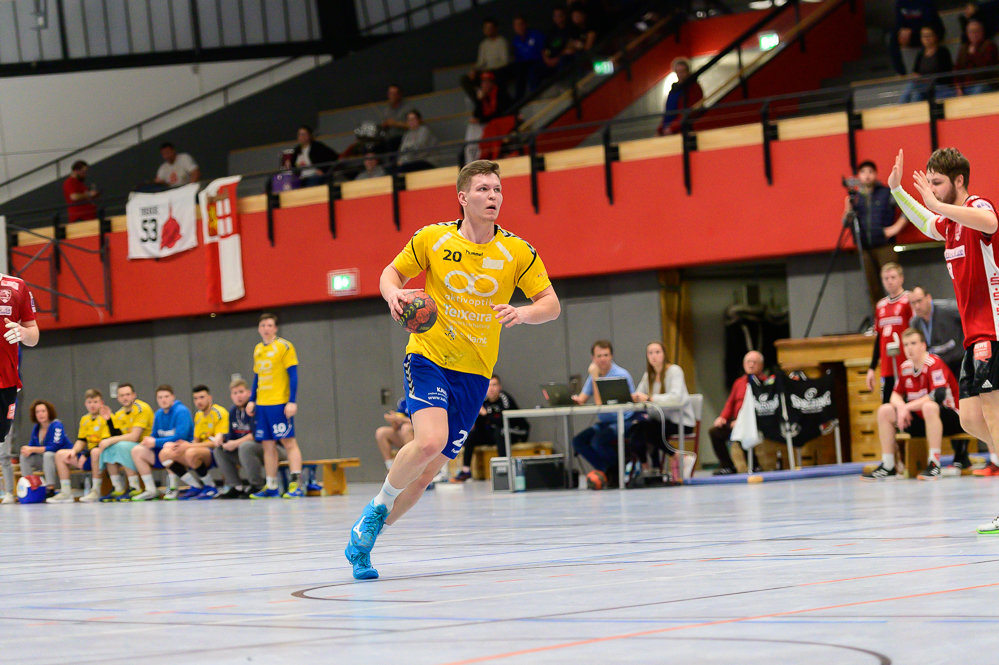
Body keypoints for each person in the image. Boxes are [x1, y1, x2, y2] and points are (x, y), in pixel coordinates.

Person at [344, 159, 560, 579]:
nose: (493, 196)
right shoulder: (433, 238)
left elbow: (550, 305)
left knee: (426, 474)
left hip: (475, 373)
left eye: (497, 189)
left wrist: (523, 313)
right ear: (463, 197)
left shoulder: (518, 251)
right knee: (429, 441)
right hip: (428, 356)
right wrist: (393, 294)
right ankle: (376, 508)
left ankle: (365, 541)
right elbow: (391, 273)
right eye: (483, 189)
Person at [885, 148, 999, 533]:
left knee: (994, 417)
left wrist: (937, 205)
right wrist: (898, 191)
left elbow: (990, 221)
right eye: (929, 183)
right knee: (970, 419)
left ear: (959, 181)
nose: (931, 189)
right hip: (974, 337)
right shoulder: (949, 225)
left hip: (994, 332)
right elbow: (925, 219)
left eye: (937, 182)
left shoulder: (977, 206)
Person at [863, 328, 968, 480]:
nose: (909, 348)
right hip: (922, 419)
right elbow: (895, 395)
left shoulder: (933, 362)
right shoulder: (905, 367)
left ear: (923, 345)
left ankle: (934, 464)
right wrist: (901, 407)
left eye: (913, 343)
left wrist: (906, 407)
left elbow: (938, 395)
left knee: (929, 406)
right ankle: (888, 465)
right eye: (906, 345)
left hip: (951, 418)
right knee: (885, 410)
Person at [246, 312, 304, 499]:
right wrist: (252, 400)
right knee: (267, 445)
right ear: (258, 329)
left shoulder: (284, 346)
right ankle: (271, 486)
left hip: (279, 403)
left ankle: (296, 484)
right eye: (263, 325)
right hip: (262, 405)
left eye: (270, 325)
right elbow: (257, 376)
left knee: (289, 442)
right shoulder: (257, 349)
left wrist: (291, 401)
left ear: (275, 328)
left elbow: (293, 375)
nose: (266, 329)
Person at [571, 340, 637, 489]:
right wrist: (574, 400)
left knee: (597, 441)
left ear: (611, 356)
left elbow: (599, 402)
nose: (603, 359)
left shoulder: (620, 375)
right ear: (593, 358)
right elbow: (582, 398)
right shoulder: (594, 376)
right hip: (605, 422)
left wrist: (595, 377)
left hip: (623, 421)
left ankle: (616, 471)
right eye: (599, 356)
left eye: (606, 355)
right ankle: (609, 470)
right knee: (578, 442)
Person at [846, 160, 908, 308]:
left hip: (884, 245)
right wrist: (847, 208)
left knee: (892, 280)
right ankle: (879, 316)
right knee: (872, 286)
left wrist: (895, 228)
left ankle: (899, 310)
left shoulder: (886, 193)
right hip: (864, 248)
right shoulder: (855, 198)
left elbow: (907, 208)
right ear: (858, 176)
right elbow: (846, 223)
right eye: (863, 172)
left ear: (875, 174)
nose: (867, 176)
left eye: (870, 172)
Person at [629, 341, 696, 473]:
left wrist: (650, 398)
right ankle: (647, 468)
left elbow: (675, 397)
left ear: (664, 354)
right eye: (650, 353)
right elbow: (639, 393)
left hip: (680, 421)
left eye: (657, 352)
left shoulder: (674, 371)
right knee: (635, 430)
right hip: (659, 421)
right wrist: (634, 397)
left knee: (648, 431)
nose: (654, 356)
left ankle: (678, 457)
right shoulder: (648, 375)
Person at [451, 375, 530, 483]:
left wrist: (485, 414)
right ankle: (466, 471)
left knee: (500, 431)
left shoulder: (505, 399)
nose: (491, 388)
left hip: (516, 430)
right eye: (488, 385)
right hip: (497, 433)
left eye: (494, 385)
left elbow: (503, 421)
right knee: (472, 434)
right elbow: (481, 424)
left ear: (499, 387)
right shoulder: (484, 401)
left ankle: (504, 467)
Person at [0, 278, 38, 501]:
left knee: (3, 445)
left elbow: (33, 335)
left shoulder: (16, 287)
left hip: (6, 384)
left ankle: (7, 492)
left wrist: (23, 333)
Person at [214, 378, 283, 499]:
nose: (238, 396)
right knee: (219, 450)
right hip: (248, 452)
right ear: (231, 396)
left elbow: (257, 435)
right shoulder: (233, 411)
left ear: (249, 393)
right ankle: (236, 486)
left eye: (241, 392)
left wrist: (236, 443)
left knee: (245, 446)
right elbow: (233, 435)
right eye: (235, 393)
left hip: (273, 450)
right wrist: (221, 436)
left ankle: (257, 485)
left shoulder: (256, 409)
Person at [129, 385, 194, 501]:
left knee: (167, 448)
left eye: (166, 396)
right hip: (162, 453)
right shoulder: (158, 414)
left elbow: (180, 437)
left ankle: (173, 488)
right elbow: (154, 435)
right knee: (137, 450)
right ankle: (151, 490)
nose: (163, 400)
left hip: (181, 452)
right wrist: (147, 441)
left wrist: (155, 442)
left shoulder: (181, 411)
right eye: (160, 397)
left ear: (173, 397)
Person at [93, 383, 155, 502]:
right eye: (122, 395)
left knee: (121, 446)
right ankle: (118, 488)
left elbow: (134, 437)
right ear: (117, 398)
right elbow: (118, 435)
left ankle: (135, 487)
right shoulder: (119, 414)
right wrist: (109, 420)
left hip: (147, 447)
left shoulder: (141, 408)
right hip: (132, 446)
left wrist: (109, 440)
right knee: (109, 448)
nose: (125, 398)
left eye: (128, 394)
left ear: (134, 395)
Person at [709, 350, 768, 475]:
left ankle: (754, 465)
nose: (751, 365)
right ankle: (728, 466)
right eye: (748, 362)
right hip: (736, 421)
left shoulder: (766, 383)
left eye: (755, 362)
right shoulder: (739, 382)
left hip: (755, 421)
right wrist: (722, 417)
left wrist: (742, 422)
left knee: (744, 431)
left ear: (761, 365)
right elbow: (730, 403)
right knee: (715, 432)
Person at [169, 385, 228, 500]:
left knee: (191, 453)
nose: (198, 401)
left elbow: (217, 443)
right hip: (201, 449)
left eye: (202, 397)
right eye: (195, 398)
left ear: (210, 398)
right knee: (167, 453)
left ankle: (211, 487)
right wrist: (183, 446)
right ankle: (196, 486)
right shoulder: (198, 415)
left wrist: (189, 446)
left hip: (218, 452)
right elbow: (196, 439)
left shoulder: (219, 413)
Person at [53, 389, 112, 503]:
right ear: (85, 404)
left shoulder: (106, 418)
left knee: (95, 452)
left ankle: (96, 490)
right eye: (89, 402)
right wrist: (74, 451)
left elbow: (103, 443)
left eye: (95, 402)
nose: (92, 405)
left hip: (103, 456)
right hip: (89, 456)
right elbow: (81, 440)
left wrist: (85, 455)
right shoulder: (85, 419)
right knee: (60, 454)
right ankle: (66, 492)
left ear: (101, 403)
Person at [865, 264, 913, 403]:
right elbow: (879, 338)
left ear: (901, 278)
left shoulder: (908, 300)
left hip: (906, 364)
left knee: (908, 406)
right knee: (887, 406)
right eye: (886, 278)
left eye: (893, 277)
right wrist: (872, 368)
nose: (889, 281)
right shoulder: (880, 306)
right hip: (887, 368)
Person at [909, 286, 964, 379]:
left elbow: (969, 316)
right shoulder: (914, 323)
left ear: (928, 297)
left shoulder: (948, 309)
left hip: (959, 363)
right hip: (938, 367)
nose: (917, 306)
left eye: (919, 301)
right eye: (913, 303)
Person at [18, 400, 67, 495]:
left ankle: (50, 488)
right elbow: (32, 445)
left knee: (48, 455)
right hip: (43, 459)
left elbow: (55, 447)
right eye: (37, 412)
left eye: (43, 411)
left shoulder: (57, 425)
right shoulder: (37, 428)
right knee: (24, 456)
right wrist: (26, 449)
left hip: (60, 459)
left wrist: (32, 449)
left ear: (49, 412)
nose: (40, 414)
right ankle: (30, 485)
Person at [464, 72, 513, 165]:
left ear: (492, 83)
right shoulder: (483, 96)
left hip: (500, 123)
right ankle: (471, 159)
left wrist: (481, 120)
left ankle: (486, 156)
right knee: (472, 128)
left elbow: (499, 113)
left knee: (491, 128)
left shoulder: (500, 94)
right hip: (488, 123)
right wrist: (479, 100)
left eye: (487, 82)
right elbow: (477, 114)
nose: (485, 85)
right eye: (483, 82)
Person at [898, 24, 954, 103]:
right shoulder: (920, 54)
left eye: (929, 35)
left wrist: (928, 79)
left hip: (938, 85)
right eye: (924, 36)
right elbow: (915, 71)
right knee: (916, 96)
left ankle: (901, 104)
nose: (926, 38)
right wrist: (917, 77)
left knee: (912, 85)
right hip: (923, 86)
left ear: (935, 37)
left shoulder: (942, 52)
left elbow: (946, 73)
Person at [462, 18, 511, 101]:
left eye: (491, 27)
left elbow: (505, 61)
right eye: (486, 28)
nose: (489, 30)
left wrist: (488, 69)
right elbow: (480, 63)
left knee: (496, 77)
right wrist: (474, 70)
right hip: (486, 72)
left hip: (499, 70)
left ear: (495, 28)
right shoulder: (483, 44)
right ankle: (479, 102)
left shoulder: (502, 41)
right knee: (465, 79)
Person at [891, 0, 943, 75]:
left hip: (930, 29)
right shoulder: (900, 3)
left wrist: (911, 31)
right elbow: (899, 22)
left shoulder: (926, 2)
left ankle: (926, 69)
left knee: (926, 34)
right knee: (892, 38)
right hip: (911, 33)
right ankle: (901, 72)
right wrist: (902, 31)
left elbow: (929, 21)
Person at [656, 58, 703, 136]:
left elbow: (690, 111)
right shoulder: (674, 89)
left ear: (688, 72)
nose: (680, 74)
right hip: (670, 128)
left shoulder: (693, 88)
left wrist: (672, 128)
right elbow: (668, 111)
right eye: (678, 72)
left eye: (682, 71)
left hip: (681, 129)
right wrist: (660, 129)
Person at [955, 18, 999, 95]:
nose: (974, 34)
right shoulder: (964, 48)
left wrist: (974, 53)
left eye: (976, 31)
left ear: (982, 32)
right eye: (971, 31)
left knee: (978, 89)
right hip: (966, 86)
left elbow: (986, 68)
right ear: (967, 34)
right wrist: (958, 86)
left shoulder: (989, 46)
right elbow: (957, 68)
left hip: (985, 84)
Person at [511, 15, 547, 99]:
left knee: (533, 69)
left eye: (520, 24)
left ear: (525, 24)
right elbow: (517, 58)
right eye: (516, 25)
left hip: (539, 63)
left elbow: (544, 49)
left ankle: (534, 95)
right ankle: (518, 99)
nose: (519, 27)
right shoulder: (515, 40)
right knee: (519, 70)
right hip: (524, 66)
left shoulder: (536, 34)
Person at [375, 397, 413, 472]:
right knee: (381, 432)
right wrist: (394, 421)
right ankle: (390, 467)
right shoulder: (403, 402)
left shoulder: (423, 400)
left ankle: (411, 464)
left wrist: (401, 419)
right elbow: (396, 426)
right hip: (403, 435)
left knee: (406, 428)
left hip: (419, 434)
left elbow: (421, 422)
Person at [542, 6, 580, 72]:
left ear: (564, 16)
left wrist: (559, 57)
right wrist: (547, 60)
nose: (558, 18)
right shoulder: (551, 32)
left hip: (567, 57)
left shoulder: (571, 28)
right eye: (556, 16)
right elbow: (545, 48)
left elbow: (574, 46)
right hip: (553, 59)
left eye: (560, 15)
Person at [380, 84, 409, 153]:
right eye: (389, 94)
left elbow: (410, 125)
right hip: (389, 137)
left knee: (391, 143)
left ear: (399, 95)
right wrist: (385, 125)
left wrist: (395, 123)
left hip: (403, 137)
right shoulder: (387, 109)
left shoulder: (407, 108)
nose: (390, 96)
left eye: (393, 94)